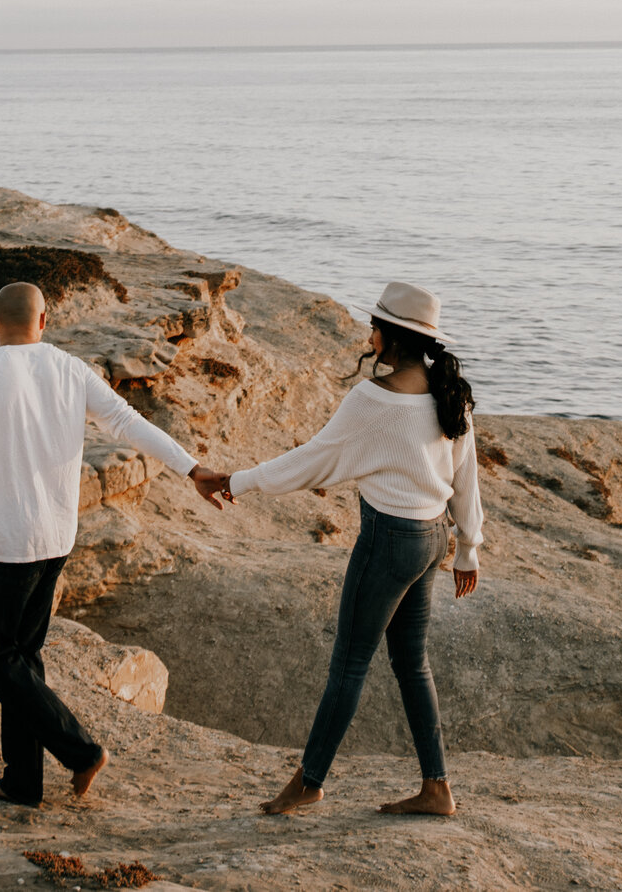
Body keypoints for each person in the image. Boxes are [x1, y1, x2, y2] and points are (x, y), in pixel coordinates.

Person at [0, 279, 230, 806]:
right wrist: (193, 467)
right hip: (54, 539)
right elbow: (129, 423)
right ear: (44, 323)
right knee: (23, 658)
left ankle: (80, 751)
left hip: (3, 544)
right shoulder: (70, 369)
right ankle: (22, 782)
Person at [197, 280, 482, 818]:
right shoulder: (452, 389)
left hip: (390, 540)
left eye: (374, 325)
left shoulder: (373, 399)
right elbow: (465, 475)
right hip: (432, 540)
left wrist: (237, 480)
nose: (368, 333)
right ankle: (437, 788)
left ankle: (309, 781)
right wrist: (469, 547)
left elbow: (312, 460)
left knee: (349, 667)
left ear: (389, 336)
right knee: (411, 663)